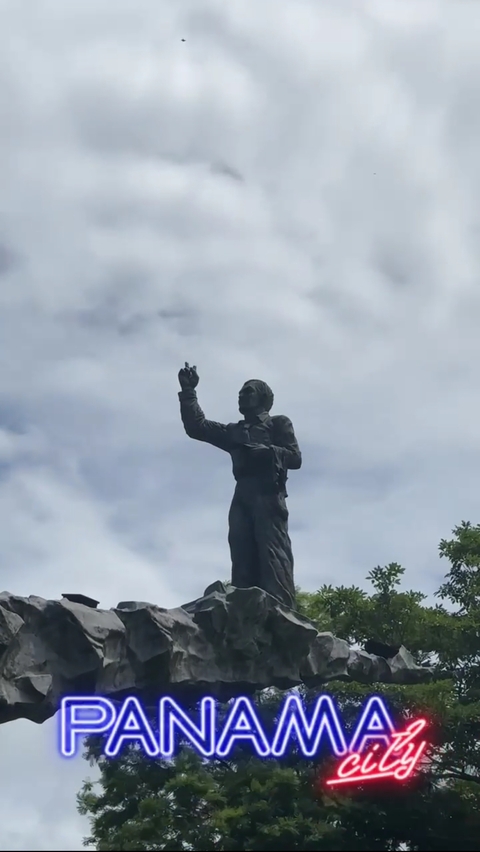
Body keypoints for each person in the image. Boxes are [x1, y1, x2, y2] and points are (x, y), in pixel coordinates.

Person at [178, 362, 302, 609]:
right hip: (243, 493)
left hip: (268, 494)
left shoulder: (278, 423)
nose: (241, 395)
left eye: (248, 391)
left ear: (263, 399)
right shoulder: (234, 431)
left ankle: (280, 610)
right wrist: (189, 392)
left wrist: (266, 452)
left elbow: (295, 458)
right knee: (241, 549)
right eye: (240, 392)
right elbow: (197, 427)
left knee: (272, 552)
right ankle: (244, 608)